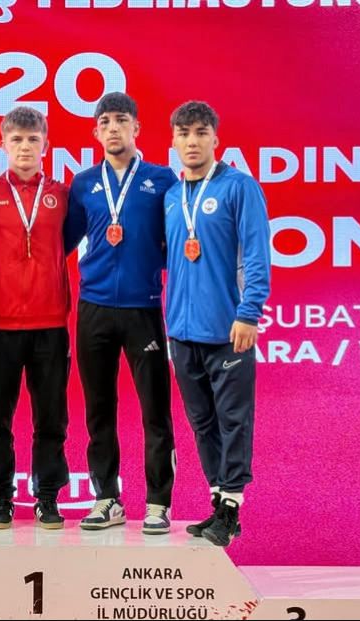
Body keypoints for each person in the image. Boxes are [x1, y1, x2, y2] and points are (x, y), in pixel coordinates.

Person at [63, 92, 177, 534]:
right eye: (106, 121)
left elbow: (178, 240)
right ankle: (106, 498)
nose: (113, 128)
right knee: (98, 409)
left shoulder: (161, 179)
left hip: (142, 308)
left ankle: (158, 503)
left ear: (136, 128)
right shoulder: (83, 183)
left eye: (121, 120)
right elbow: (62, 243)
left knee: (155, 410)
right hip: (93, 308)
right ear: (95, 131)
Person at [164, 101, 271, 546]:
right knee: (202, 423)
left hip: (228, 329)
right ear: (173, 140)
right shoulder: (172, 196)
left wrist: (249, 312)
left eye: (201, 133)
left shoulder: (239, 187)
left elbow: (257, 255)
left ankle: (231, 506)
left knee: (233, 420)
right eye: (184, 133)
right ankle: (217, 502)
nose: (192, 141)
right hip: (181, 332)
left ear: (215, 139)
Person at [0, 106, 71, 530]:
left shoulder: (63, 195)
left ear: (46, 144)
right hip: (0, 325)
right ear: (3, 145)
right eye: (16, 140)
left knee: (51, 418)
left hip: (51, 324)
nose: (24, 147)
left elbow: (68, 241)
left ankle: (47, 497)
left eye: (32, 139)